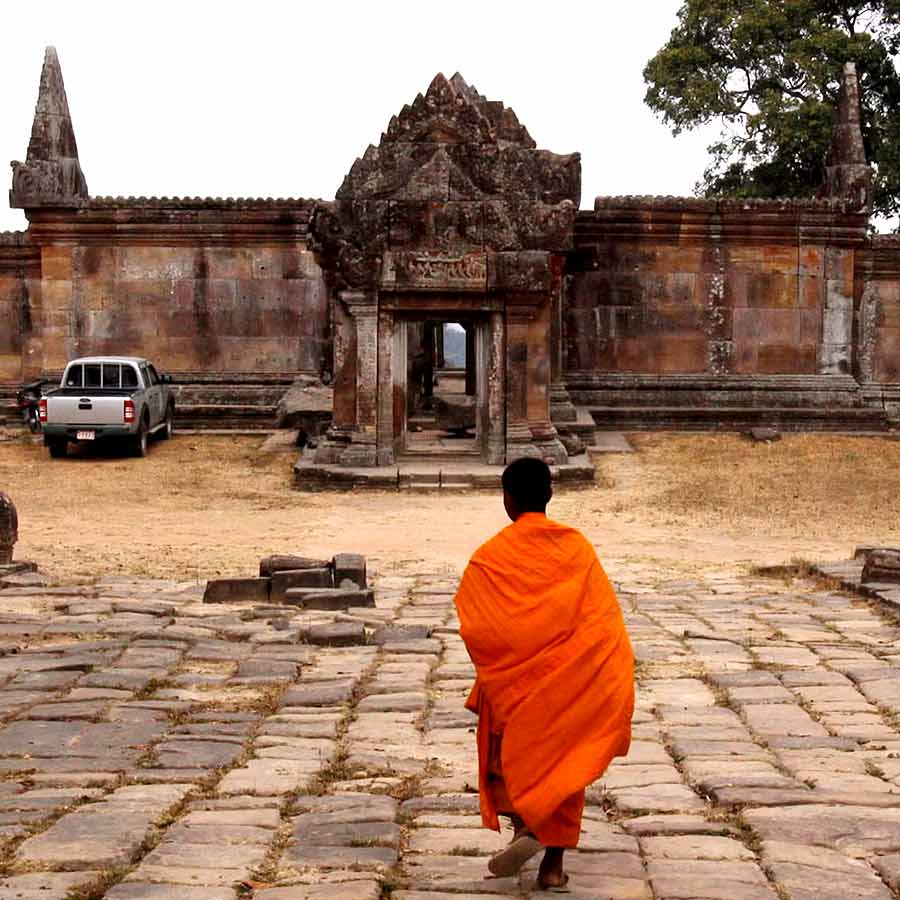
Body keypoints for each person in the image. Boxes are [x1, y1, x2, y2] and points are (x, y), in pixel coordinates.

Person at [453, 457, 634, 891]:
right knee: (564, 759)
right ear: (549, 497)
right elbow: (601, 620)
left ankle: (524, 827)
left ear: (507, 499)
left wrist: (506, 667)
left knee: (509, 755)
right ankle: (551, 864)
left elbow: (476, 625)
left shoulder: (491, 556)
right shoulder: (575, 547)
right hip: (570, 679)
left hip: (515, 683)